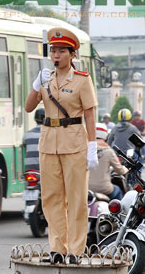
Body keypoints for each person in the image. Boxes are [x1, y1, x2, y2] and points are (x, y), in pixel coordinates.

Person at [24, 27, 98, 263]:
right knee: (51, 198)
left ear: (71, 54)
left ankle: (76, 250)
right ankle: (57, 248)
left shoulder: (82, 80)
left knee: (76, 200)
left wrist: (92, 145)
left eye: (61, 51)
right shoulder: (46, 79)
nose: (55, 55)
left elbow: (89, 114)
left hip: (74, 142)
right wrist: (37, 84)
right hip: (49, 143)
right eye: (53, 51)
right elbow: (28, 108)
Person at [89, 123, 128, 200]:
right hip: (105, 189)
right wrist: (125, 169)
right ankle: (120, 212)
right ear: (105, 135)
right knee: (119, 191)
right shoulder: (108, 151)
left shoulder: (85, 150)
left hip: (86, 189)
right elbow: (119, 170)